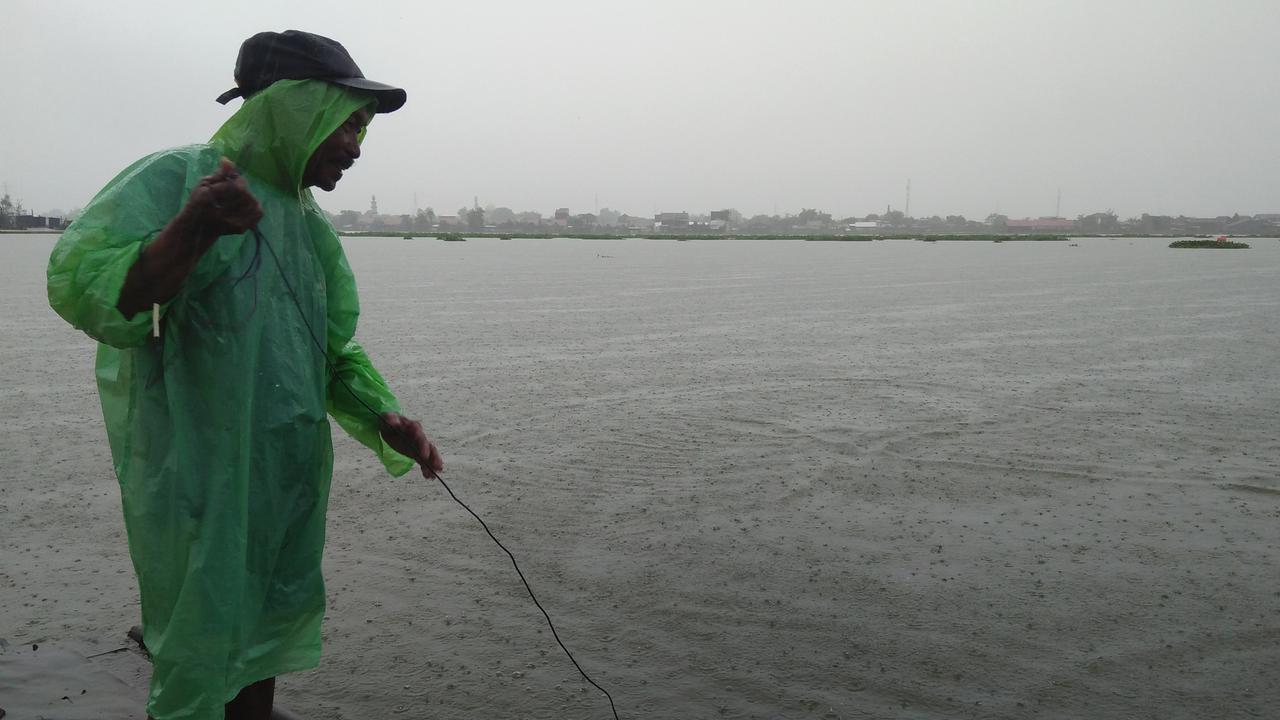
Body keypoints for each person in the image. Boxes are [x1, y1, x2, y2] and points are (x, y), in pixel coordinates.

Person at [46, 30, 442, 720]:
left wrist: (383, 417)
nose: (355, 145)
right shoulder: (180, 178)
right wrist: (194, 228)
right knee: (200, 640)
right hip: (199, 477)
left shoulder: (308, 226)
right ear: (291, 108)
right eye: (345, 122)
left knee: (269, 633)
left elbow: (327, 351)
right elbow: (93, 294)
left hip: (284, 478)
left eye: (361, 128)